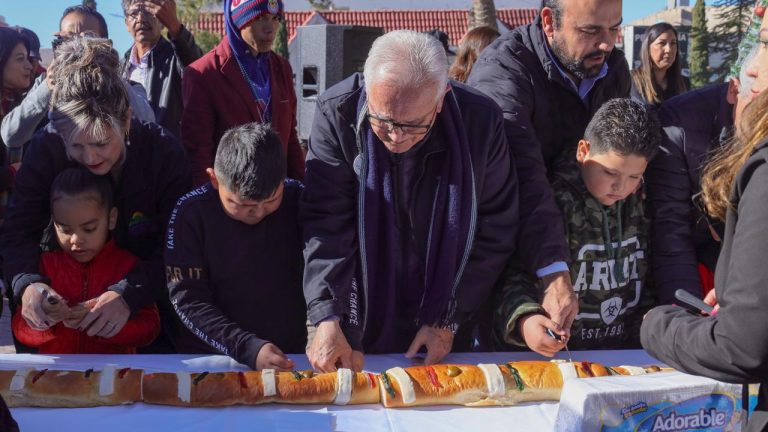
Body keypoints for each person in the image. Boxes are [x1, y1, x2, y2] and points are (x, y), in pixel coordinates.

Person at [302, 30, 518, 372]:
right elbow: (326, 223)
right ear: (368, 89)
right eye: (382, 119)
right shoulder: (338, 112)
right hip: (358, 307)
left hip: (446, 309)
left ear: (442, 98)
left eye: (414, 124)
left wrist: (449, 318)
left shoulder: (480, 121)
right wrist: (327, 315)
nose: (395, 136)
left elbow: (496, 227)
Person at [0, 37, 190, 353]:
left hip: (148, 314)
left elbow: (180, 245)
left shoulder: (163, 154)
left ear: (126, 119)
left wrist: (130, 293)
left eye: (102, 143)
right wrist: (28, 284)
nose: (90, 157)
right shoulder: (47, 148)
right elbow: (18, 231)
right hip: (61, 316)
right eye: (76, 146)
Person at [467, 0, 629, 349]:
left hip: (580, 263)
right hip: (509, 257)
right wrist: (553, 271)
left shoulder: (613, 66)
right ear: (549, 22)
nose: (607, 44)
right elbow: (523, 176)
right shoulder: (503, 70)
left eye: (614, 28)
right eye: (590, 30)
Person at [641, 89, 768, 432]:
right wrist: (742, 301)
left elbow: (740, 348)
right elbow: (671, 233)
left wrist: (658, 325)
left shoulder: (763, 169)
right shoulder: (681, 121)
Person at [494, 99, 659, 355]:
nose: (620, 187)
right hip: (556, 358)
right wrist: (524, 320)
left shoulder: (640, 204)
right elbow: (513, 275)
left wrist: (652, 323)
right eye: (610, 173)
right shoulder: (551, 205)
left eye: (634, 177)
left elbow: (646, 277)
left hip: (625, 356)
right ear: (583, 151)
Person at [165, 122, 306, 370]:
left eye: (271, 200)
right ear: (214, 180)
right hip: (210, 358)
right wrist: (246, 347)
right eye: (243, 205)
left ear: (283, 181)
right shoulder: (191, 213)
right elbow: (187, 299)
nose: (258, 212)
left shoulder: (299, 199)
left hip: (285, 354)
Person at [12, 168, 160, 354]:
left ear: (111, 219)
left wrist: (102, 324)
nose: (76, 240)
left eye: (89, 229)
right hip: (57, 371)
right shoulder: (43, 267)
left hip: (113, 370)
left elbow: (149, 329)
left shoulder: (128, 266)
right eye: (65, 229)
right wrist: (46, 321)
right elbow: (20, 330)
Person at [182, 0, 304, 186]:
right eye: (260, 18)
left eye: (275, 19)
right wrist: (208, 200)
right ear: (239, 20)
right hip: (231, 196)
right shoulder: (204, 74)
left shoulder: (281, 68)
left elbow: (290, 139)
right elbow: (198, 153)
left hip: (278, 195)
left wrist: (302, 190)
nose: (270, 29)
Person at [0, 5, 155, 151]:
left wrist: (111, 75)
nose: (79, 47)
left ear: (106, 45)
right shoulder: (45, 83)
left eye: (88, 39)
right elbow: (10, 136)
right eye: (68, 39)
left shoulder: (127, 85)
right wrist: (47, 88)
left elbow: (148, 122)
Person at [120, 0, 202, 137]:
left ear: (162, 21)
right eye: (134, 13)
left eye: (148, 11)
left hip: (170, 148)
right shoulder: (119, 68)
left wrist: (175, 27)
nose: (141, 19)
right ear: (126, 24)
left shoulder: (177, 57)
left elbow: (199, 69)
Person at [0, 27, 32, 224]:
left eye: (28, 58)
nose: (29, 66)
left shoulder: (19, 106)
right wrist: (12, 173)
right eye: (20, 59)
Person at [630, 22, 688, 107]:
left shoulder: (683, 83)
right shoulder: (630, 80)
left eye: (673, 43)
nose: (669, 50)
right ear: (648, 47)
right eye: (662, 43)